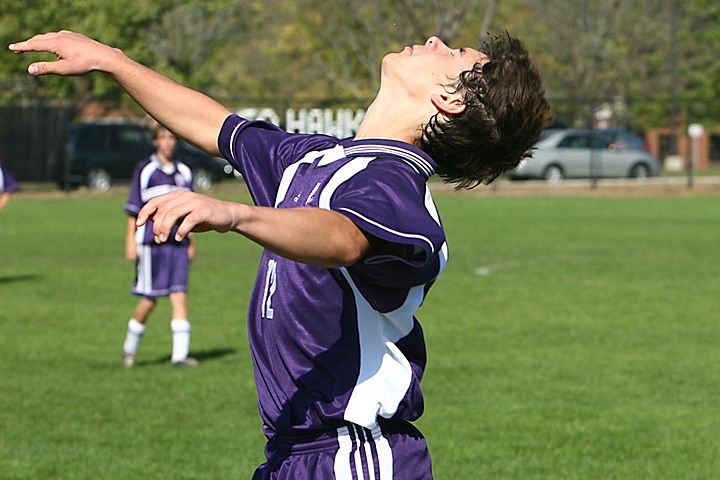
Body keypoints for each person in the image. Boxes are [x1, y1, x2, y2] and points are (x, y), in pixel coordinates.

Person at [10, 30, 550, 479]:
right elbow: (218, 128)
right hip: (293, 454)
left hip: (353, 456)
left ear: (449, 101)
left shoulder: (395, 182)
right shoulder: (316, 158)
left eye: (453, 55)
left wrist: (237, 214)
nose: (435, 40)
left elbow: (345, 237)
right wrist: (112, 61)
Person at [122, 125, 198, 368]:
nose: (168, 142)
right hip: (151, 245)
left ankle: (180, 356)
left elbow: (192, 213)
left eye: (172, 138)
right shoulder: (146, 170)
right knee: (149, 300)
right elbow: (134, 210)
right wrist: (130, 241)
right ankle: (129, 350)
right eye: (163, 137)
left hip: (178, 244)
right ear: (155, 141)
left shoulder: (184, 172)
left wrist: (192, 241)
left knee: (179, 296)